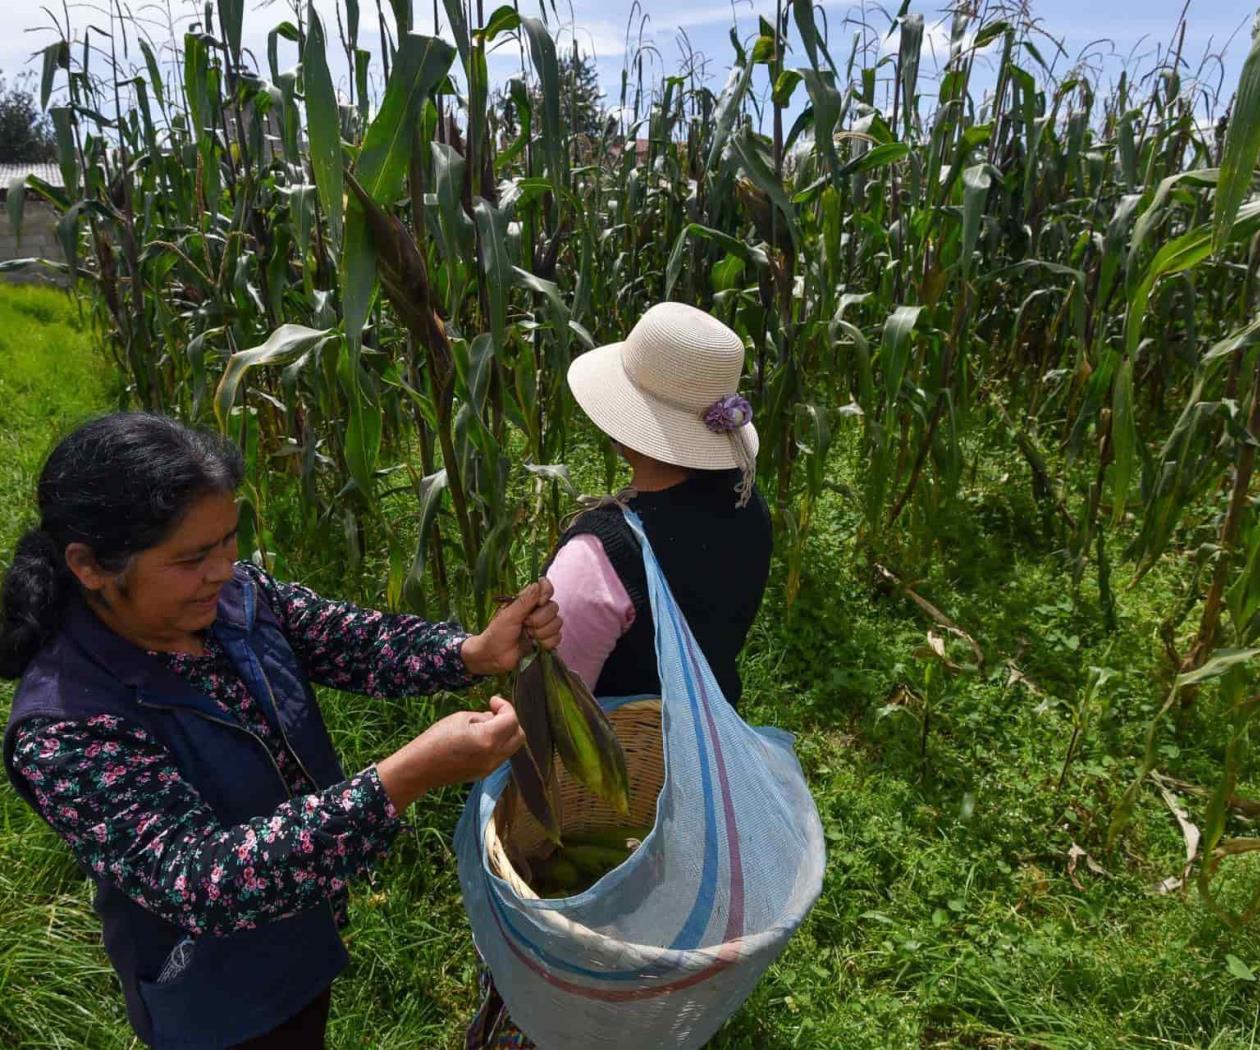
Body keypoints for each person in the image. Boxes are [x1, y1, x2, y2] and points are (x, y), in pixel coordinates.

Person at [0, 413, 557, 1050]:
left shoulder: (238, 596)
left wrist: (470, 652)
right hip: (212, 990)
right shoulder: (65, 728)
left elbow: (355, 643)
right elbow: (203, 878)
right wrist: (403, 778)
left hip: (300, 919)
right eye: (190, 559)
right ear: (91, 565)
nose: (220, 570)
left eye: (227, 542)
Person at [466, 301, 773, 1049]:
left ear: (620, 422)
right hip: (696, 745)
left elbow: (553, 702)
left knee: (578, 915)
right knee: (660, 887)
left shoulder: (598, 553)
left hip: (601, 771)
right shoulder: (749, 504)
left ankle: (541, 1013)